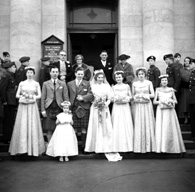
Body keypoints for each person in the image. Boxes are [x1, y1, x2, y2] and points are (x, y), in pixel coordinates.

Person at [85, 69, 121, 162]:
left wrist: (106, 104)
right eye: (99, 77)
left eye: (102, 77)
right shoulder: (92, 86)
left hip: (104, 107)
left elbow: (110, 97)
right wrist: (95, 102)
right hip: (95, 107)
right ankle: (95, 146)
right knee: (95, 124)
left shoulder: (106, 86)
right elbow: (89, 96)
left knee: (105, 125)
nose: (100, 79)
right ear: (96, 78)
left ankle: (106, 146)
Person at [9, 66, 45, 156]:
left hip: (32, 106)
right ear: (26, 74)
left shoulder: (36, 84)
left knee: (32, 124)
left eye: (31, 73)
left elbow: (39, 95)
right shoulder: (22, 83)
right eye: (28, 72)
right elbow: (17, 95)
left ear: (33, 74)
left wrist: (32, 97)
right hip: (23, 106)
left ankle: (33, 149)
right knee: (23, 124)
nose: (29, 74)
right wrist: (23, 96)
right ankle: (22, 149)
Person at [153, 75, 186, 153]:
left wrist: (170, 101)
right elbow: (154, 101)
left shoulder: (171, 90)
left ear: (167, 82)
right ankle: (161, 147)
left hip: (170, 111)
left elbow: (176, 101)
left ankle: (171, 146)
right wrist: (162, 102)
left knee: (169, 126)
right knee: (162, 127)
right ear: (160, 82)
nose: (164, 82)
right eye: (163, 80)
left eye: (165, 80)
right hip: (161, 110)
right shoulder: (157, 90)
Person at [67, 67, 93, 152]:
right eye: (78, 74)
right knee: (73, 128)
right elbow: (67, 95)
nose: (80, 76)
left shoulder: (87, 83)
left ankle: (84, 147)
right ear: (75, 74)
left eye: (82, 74)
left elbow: (91, 94)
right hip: (73, 107)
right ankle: (74, 147)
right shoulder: (69, 84)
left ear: (84, 75)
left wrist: (83, 97)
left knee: (83, 128)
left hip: (84, 108)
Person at [41, 65, 69, 142]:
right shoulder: (45, 83)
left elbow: (66, 97)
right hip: (49, 107)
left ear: (59, 73)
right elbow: (43, 97)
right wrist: (43, 110)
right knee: (49, 129)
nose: (55, 73)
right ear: (50, 73)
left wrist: (66, 109)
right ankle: (50, 147)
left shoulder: (62, 83)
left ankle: (57, 147)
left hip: (59, 107)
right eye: (53, 72)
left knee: (59, 128)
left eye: (56, 72)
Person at [132, 67, 156, 153]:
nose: (141, 75)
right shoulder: (134, 84)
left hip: (147, 105)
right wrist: (137, 97)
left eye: (142, 74)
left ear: (145, 75)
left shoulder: (149, 83)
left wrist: (145, 96)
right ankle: (138, 146)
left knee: (147, 122)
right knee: (139, 122)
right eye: (139, 74)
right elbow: (132, 96)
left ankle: (149, 145)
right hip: (138, 105)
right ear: (137, 75)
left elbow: (153, 95)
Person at [111, 71, 134, 156]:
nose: (118, 79)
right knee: (117, 123)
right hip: (117, 107)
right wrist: (117, 99)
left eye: (120, 77)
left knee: (126, 123)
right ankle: (117, 145)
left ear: (123, 77)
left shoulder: (127, 86)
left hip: (125, 107)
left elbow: (130, 96)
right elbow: (112, 97)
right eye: (117, 77)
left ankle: (128, 146)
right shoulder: (113, 87)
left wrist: (125, 99)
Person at [3, 62, 17, 144]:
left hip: (11, 101)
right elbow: (2, 89)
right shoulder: (7, 76)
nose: (15, 69)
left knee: (10, 120)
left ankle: (8, 137)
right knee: (8, 120)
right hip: (8, 102)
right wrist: (4, 100)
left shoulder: (10, 75)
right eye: (13, 67)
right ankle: (6, 138)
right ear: (9, 68)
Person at [178, 57, 192, 123]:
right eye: (185, 61)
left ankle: (192, 118)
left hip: (191, 88)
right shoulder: (181, 70)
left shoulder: (192, 69)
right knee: (185, 104)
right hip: (184, 88)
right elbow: (180, 78)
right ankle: (186, 118)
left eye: (188, 61)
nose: (186, 62)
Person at [189, 59, 195, 142]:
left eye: (191, 64)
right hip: (192, 99)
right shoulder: (192, 73)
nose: (189, 65)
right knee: (193, 117)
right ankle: (193, 135)